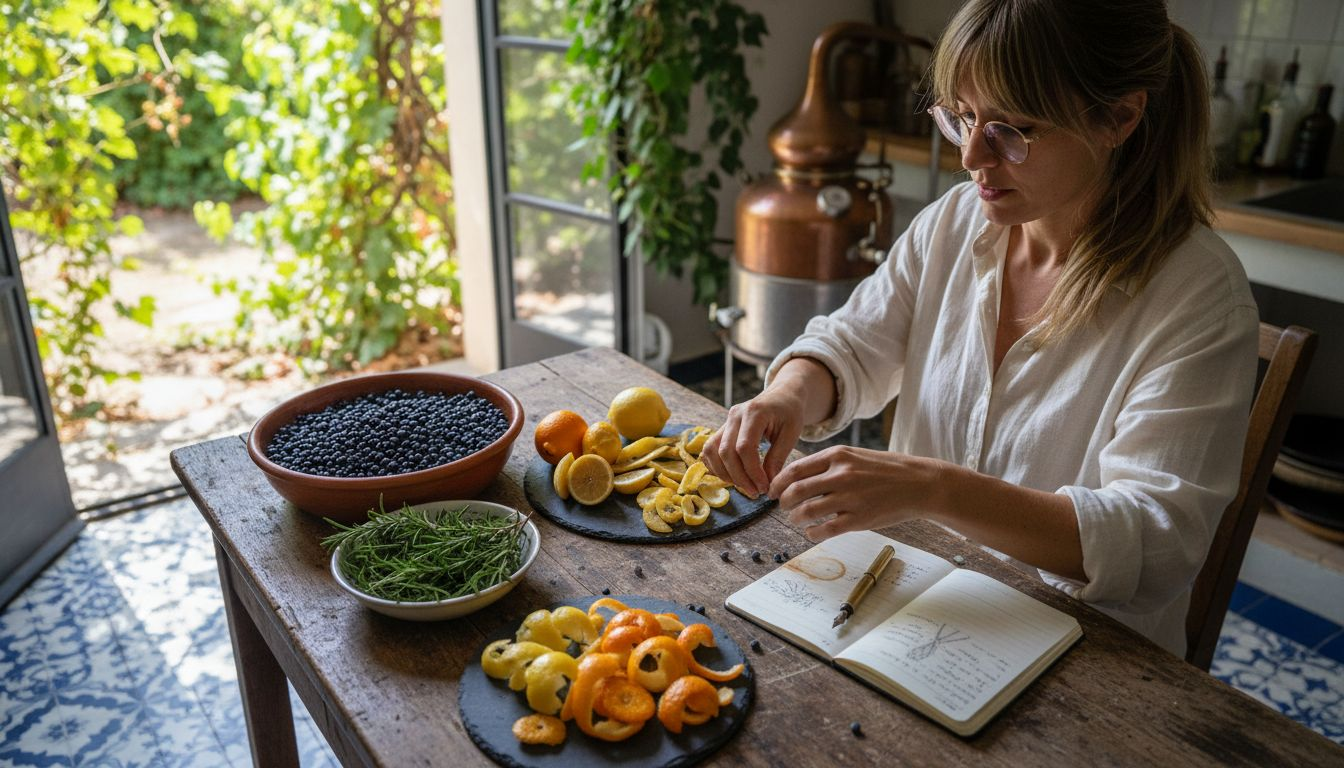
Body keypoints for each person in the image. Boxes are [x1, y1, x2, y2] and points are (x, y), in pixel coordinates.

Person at [700, 0, 1259, 658]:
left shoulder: (1199, 299)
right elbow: (854, 343)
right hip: (914, 605)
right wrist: (788, 394)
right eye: (961, 116)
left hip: (1083, 656)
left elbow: (1155, 539)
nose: (970, 155)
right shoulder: (955, 223)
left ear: (1118, 118)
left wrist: (932, 488)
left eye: (1012, 130)